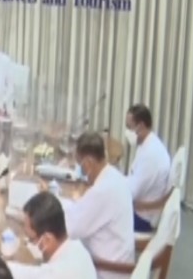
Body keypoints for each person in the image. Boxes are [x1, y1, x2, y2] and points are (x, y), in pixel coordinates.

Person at [64, 132, 134, 279]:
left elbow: (71, 229)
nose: (80, 170)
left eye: (80, 164)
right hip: (116, 262)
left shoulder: (102, 191)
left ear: (88, 163)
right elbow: (82, 210)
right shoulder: (114, 176)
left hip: (106, 270)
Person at [7, 192, 96, 279]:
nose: (28, 243)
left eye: (31, 239)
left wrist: (3, 267)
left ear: (47, 239)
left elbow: (32, 275)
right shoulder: (73, 243)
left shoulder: (59, 273)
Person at [124, 104, 171, 232]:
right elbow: (134, 179)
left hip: (142, 218)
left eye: (129, 127)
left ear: (140, 126)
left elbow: (132, 193)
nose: (127, 132)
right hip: (139, 210)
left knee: (101, 212)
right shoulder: (147, 145)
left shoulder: (151, 154)